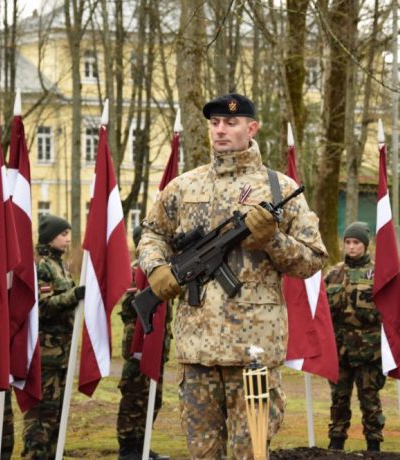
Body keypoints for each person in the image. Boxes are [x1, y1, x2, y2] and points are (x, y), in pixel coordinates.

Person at [137, 92, 327, 459]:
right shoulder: (183, 186)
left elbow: (311, 260)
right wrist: (156, 268)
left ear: (251, 128)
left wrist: (272, 239)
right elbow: (152, 233)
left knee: (250, 454)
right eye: (214, 123)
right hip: (197, 352)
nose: (220, 130)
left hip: (253, 352)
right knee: (203, 453)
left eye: (230, 122)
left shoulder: (279, 188)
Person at [22, 215, 85, 459]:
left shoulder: (60, 265)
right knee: (41, 416)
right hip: (45, 354)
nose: (68, 239)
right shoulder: (42, 265)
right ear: (50, 237)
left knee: (56, 413)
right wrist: (73, 296)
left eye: (69, 233)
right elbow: (41, 307)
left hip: (61, 352)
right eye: (63, 234)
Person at [325, 222, 386, 452]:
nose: (351, 247)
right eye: (348, 242)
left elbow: (391, 310)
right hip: (340, 350)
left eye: (356, 243)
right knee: (339, 399)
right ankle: (336, 441)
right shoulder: (333, 273)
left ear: (365, 245)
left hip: (369, 350)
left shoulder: (378, 273)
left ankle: (374, 443)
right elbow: (321, 312)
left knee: (370, 400)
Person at [117, 225, 171, 460]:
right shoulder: (135, 272)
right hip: (137, 345)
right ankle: (129, 448)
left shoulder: (162, 271)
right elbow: (129, 306)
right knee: (133, 397)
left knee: (153, 397)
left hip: (157, 345)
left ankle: (143, 444)